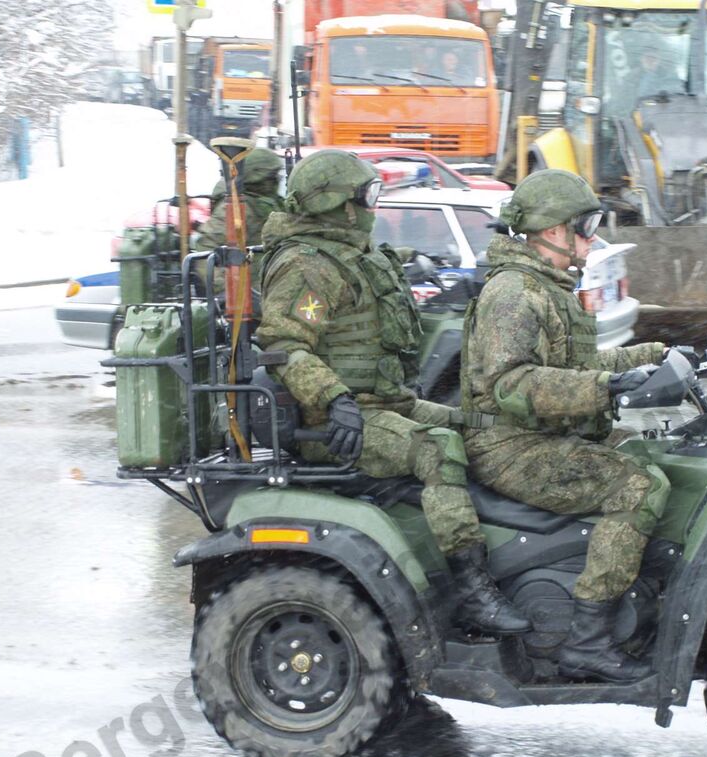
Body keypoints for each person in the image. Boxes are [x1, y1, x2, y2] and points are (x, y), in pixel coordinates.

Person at [256, 149, 532, 635]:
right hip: (339, 422)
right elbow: (286, 344)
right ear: (335, 204)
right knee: (438, 449)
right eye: (367, 196)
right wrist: (333, 399)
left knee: (484, 421)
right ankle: (469, 588)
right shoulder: (308, 267)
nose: (372, 206)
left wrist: (419, 263)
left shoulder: (348, 253)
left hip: (388, 403)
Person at [460, 169, 671, 683]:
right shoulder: (514, 293)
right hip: (510, 445)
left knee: (656, 454)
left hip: (542, 435)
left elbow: (577, 366)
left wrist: (661, 355)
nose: (592, 236)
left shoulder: (545, 288)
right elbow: (513, 384)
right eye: (586, 224)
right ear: (552, 230)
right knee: (640, 488)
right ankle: (589, 640)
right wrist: (604, 388)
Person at [195, 146, 285, 277]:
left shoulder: (269, 201)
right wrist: (225, 288)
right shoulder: (235, 208)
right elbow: (206, 247)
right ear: (259, 177)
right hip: (249, 288)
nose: (277, 180)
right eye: (272, 176)